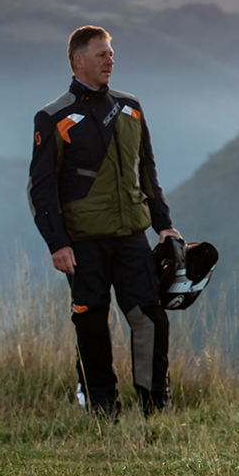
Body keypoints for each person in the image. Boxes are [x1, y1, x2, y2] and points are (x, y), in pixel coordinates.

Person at [28, 25, 181, 417]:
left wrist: (163, 225)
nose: (110, 60)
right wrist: (57, 243)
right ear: (78, 61)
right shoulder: (54, 116)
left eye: (111, 53)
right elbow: (41, 189)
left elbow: (147, 171)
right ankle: (101, 407)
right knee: (91, 321)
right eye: (101, 54)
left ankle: (155, 404)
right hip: (83, 243)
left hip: (132, 236)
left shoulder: (131, 107)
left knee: (149, 317)